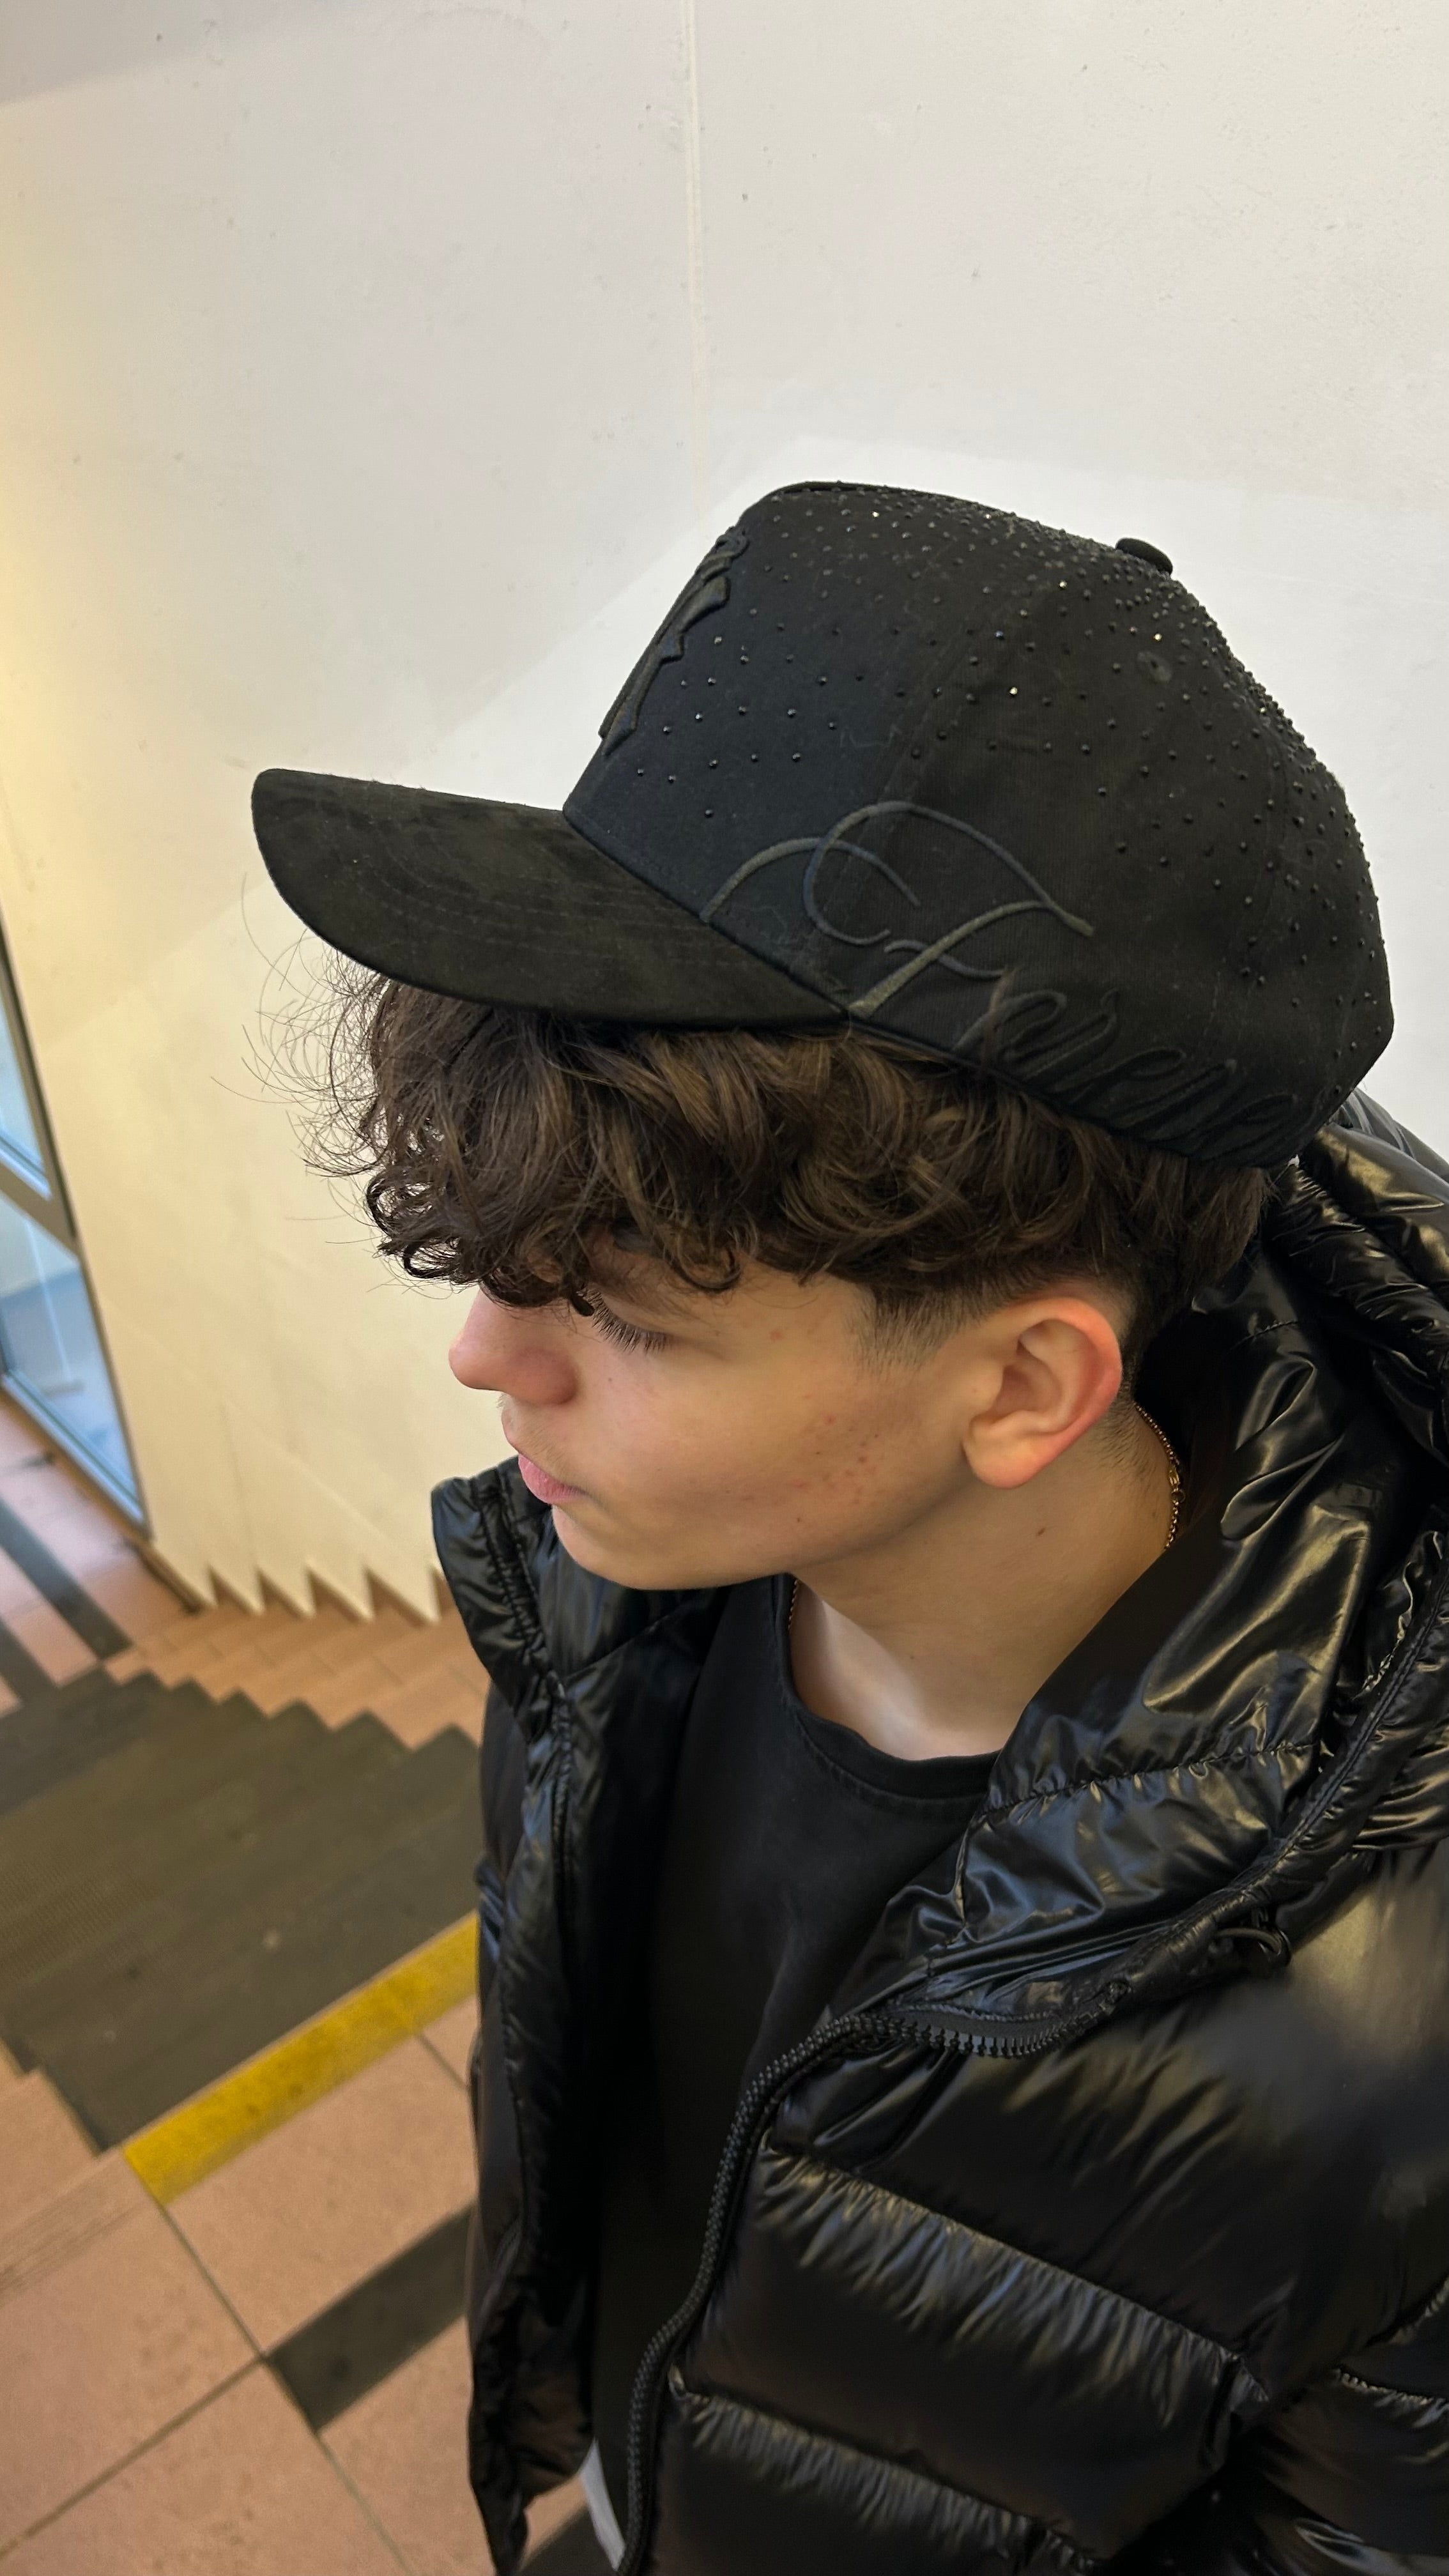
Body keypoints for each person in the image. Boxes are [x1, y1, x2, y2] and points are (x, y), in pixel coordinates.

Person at [253, 483, 1449, 2576]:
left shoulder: (1388, 2059)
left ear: (1023, 1386)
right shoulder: (612, 1591)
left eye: (624, 1318)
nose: (484, 1359)